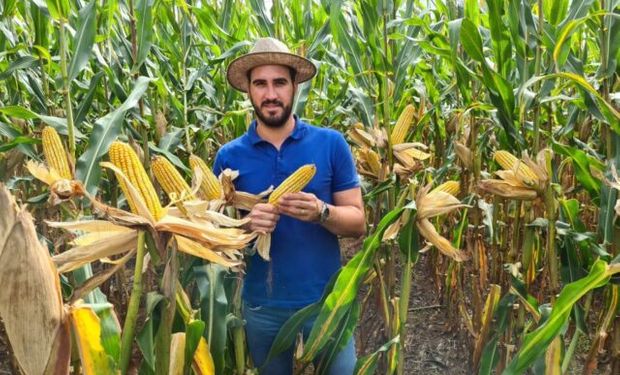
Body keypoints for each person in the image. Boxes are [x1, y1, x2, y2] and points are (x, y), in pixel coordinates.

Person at [213, 37, 365, 375]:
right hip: (262, 306)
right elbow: (211, 232)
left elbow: (357, 222)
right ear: (248, 91)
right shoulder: (229, 157)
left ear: (294, 86)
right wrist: (245, 224)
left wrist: (321, 212)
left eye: (279, 82)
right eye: (260, 84)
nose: (270, 94)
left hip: (327, 302)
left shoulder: (330, 144)